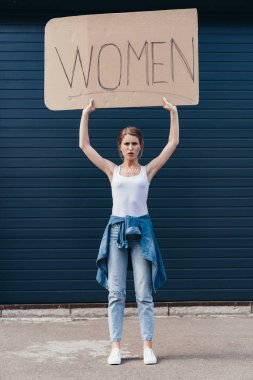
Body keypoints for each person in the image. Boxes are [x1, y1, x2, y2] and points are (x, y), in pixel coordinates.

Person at [79, 97, 179, 365]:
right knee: (116, 292)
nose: (131, 147)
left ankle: (147, 346)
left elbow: (172, 144)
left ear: (140, 146)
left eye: (135, 143)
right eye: (126, 143)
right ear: (120, 147)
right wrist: (86, 113)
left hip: (142, 231)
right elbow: (85, 146)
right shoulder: (113, 171)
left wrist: (173, 112)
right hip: (116, 230)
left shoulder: (148, 171)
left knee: (144, 292)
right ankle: (116, 347)